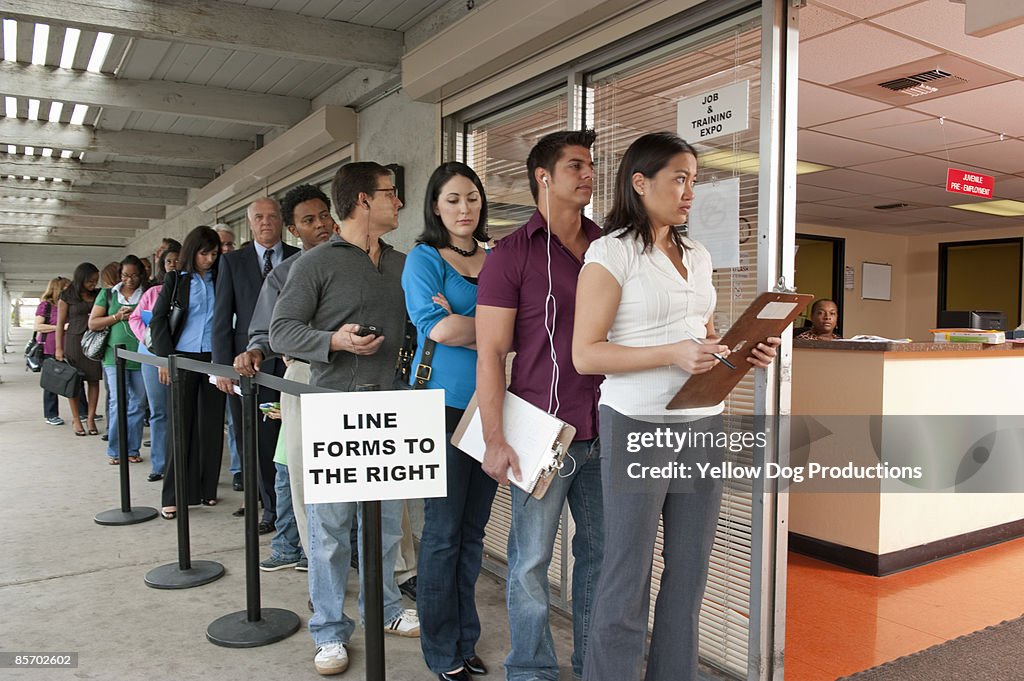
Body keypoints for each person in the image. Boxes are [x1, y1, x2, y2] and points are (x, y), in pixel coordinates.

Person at [572, 132, 780, 681]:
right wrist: (673, 352)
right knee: (627, 573)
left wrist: (741, 353)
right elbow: (585, 354)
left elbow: (704, 341)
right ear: (640, 183)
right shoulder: (611, 251)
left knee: (689, 573)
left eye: (695, 179)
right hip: (637, 422)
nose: (691, 191)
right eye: (679, 179)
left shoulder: (698, 255)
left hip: (701, 423)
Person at [270, 162, 419, 676]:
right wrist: (334, 341)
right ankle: (329, 630)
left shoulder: (405, 264)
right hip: (333, 406)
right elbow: (282, 332)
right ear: (361, 201)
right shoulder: (313, 264)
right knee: (330, 530)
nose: (398, 202)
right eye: (390, 194)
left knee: (383, 526)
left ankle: (387, 608)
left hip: (393, 407)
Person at [475, 130, 604, 681]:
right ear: (542, 177)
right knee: (529, 563)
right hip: (541, 435)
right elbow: (490, 354)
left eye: (592, 165)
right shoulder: (510, 255)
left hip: (606, 429)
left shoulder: (610, 248)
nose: (589, 173)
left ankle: (595, 662)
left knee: (601, 558)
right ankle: (530, 669)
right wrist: (495, 439)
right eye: (576, 164)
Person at [402, 162, 495, 681]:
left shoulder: (497, 257)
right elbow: (435, 326)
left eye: (473, 199)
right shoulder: (422, 258)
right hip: (440, 405)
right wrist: (491, 327)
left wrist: (469, 324)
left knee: (473, 532)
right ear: (436, 205)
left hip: (491, 406)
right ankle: (441, 652)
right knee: (442, 533)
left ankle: (465, 639)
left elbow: (524, 326)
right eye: (453, 199)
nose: (464, 209)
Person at [236, 183, 338, 572]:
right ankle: (321, 571)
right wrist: (255, 351)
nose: (321, 225)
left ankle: (388, 567)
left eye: (324, 216)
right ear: (294, 231)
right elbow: (263, 331)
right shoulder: (284, 273)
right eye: (309, 221)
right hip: (305, 375)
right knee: (304, 477)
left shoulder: (362, 260)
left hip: (362, 376)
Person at [213, 198, 300, 535]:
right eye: (259, 217)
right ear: (249, 223)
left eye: (272, 216)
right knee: (258, 437)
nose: (266, 222)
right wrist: (222, 367)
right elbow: (221, 317)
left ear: (282, 221)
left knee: (292, 435)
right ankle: (270, 509)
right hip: (247, 363)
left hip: (291, 359)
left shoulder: (299, 258)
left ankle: (296, 506)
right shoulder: (232, 262)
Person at [149, 226, 226, 519]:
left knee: (211, 425)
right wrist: (166, 359)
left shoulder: (222, 278)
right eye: (203, 253)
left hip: (214, 358)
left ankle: (207, 490)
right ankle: (173, 494)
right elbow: (158, 320)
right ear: (191, 252)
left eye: (214, 254)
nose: (208, 259)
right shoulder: (176, 279)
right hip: (181, 357)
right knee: (181, 426)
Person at [88, 255, 148, 465]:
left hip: (141, 356)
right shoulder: (108, 294)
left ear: (141, 274)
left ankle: (131, 449)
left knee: (138, 404)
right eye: (125, 275)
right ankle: (115, 450)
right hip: (113, 357)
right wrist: (117, 317)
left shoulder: (147, 294)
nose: (129, 280)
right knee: (118, 401)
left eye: (134, 275)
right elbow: (93, 323)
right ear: (119, 275)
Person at [129, 243, 181, 481]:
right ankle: (159, 464)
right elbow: (135, 318)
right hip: (151, 354)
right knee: (159, 411)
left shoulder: (192, 290)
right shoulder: (153, 292)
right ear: (163, 265)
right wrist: (149, 339)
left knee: (182, 411)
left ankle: (181, 461)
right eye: (170, 261)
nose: (174, 264)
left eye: (178, 260)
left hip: (182, 355)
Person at [55, 263, 103, 437]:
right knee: (74, 382)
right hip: (74, 341)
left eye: (95, 281)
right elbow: (60, 324)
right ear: (81, 278)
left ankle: (90, 418)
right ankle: (76, 419)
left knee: (93, 380)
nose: (93, 284)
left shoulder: (98, 294)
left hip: (94, 342)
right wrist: (58, 349)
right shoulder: (67, 296)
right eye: (90, 281)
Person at [35, 276, 71, 426]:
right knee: (51, 383)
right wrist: (60, 327)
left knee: (77, 380)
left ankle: (83, 411)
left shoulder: (68, 304)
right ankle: (51, 415)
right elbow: (38, 326)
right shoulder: (46, 305)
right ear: (59, 288)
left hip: (69, 347)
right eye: (67, 287)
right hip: (49, 348)